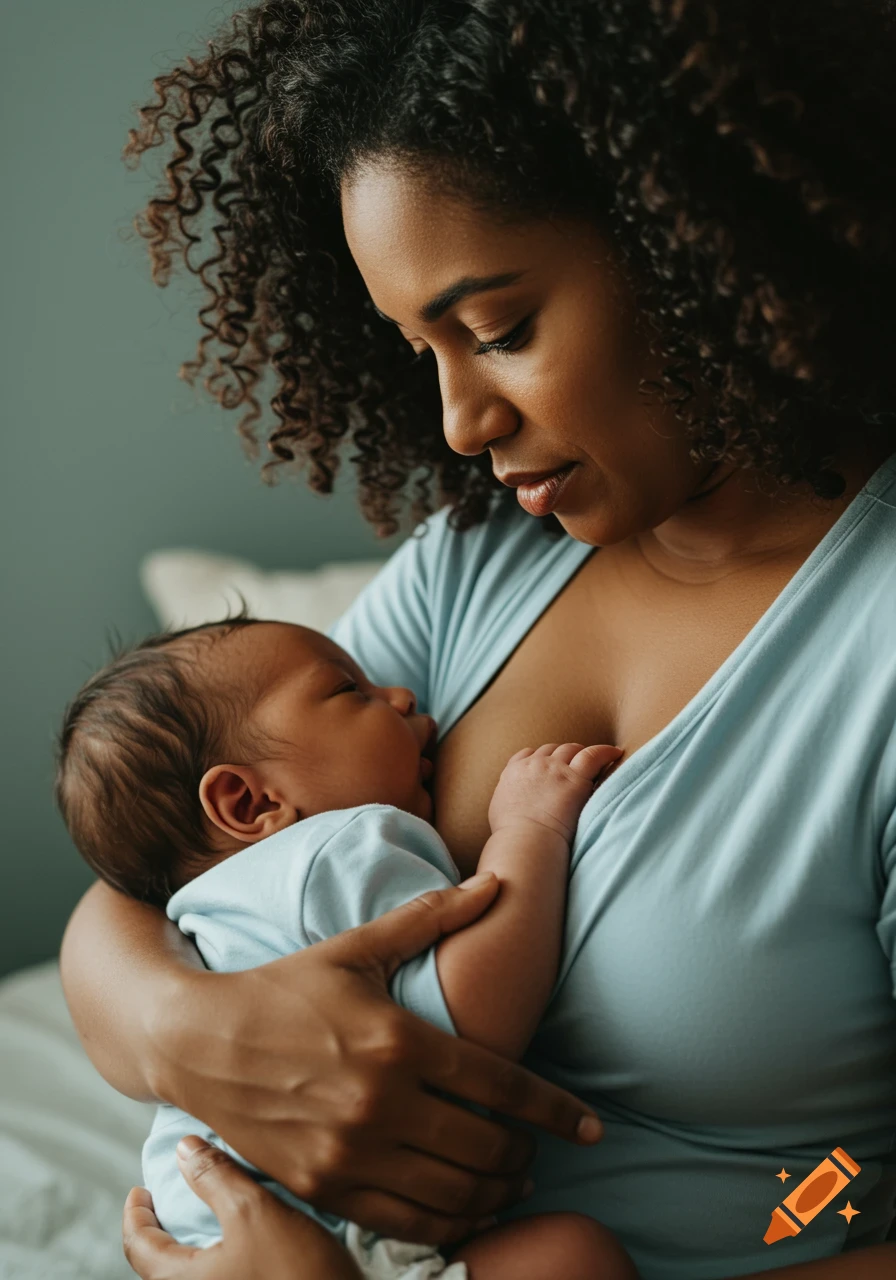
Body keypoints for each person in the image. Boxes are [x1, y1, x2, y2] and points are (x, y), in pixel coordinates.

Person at [60, 0, 896, 1276]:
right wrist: (182, 1029)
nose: (456, 421)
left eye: (498, 329)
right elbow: (167, 866)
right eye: (419, 350)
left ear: (690, 238)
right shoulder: (478, 567)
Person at [54, 614, 635, 1278]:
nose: (402, 697)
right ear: (247, 801)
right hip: (315, 1236)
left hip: (220, 1236)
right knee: (571, 1259)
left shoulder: (206, 908)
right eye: (349, 691)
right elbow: (472, 1020)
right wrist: (529, 830)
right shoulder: (340, 846)